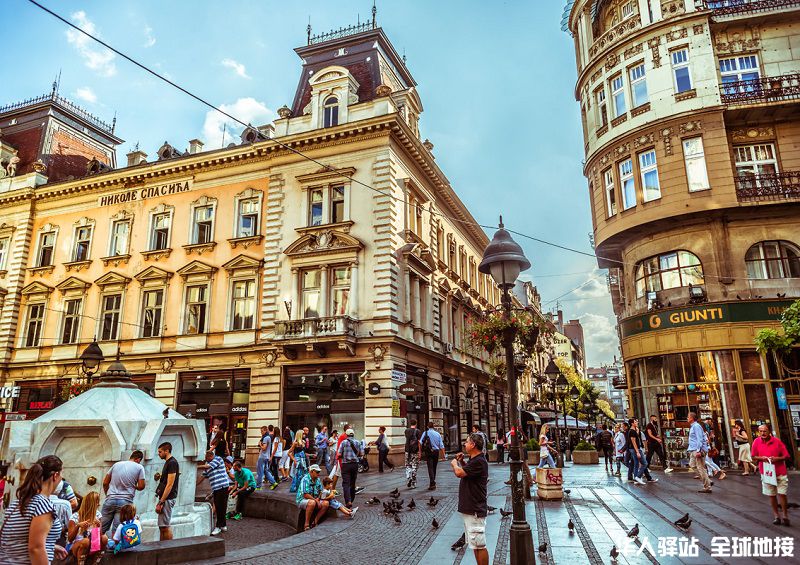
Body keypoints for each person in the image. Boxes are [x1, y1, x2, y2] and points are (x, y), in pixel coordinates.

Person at [0, 454, 66, 564]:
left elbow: (17, 538)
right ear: (55, 475)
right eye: (61, 477)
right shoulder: (43, 505)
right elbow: (35, 548)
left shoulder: (17, 503)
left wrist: (50, 546)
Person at [450, 433, 489, 565]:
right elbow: (469, 472)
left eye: (467, 442)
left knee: (479, 545)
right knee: (474, 544)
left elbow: (460, 473)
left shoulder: (479, 461)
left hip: (475, 509)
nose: (465, 444)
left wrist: (455, 464)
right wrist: (461, 462)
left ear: (473, 445)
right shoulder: (475, 460)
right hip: (471, 508)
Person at [751, 423, 791, 526]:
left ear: (769, 431)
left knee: (782, 493)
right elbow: (753, 456)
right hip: (767, 472)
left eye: (765, 431)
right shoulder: (756, 442)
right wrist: (762, 458)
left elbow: (786, 456)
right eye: (760, 431)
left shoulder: (777, 442)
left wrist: (777, 459)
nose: (762, 433)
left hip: (779, 471)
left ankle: (785, 515)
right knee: (771, 494)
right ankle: (776, 515)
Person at [101, 450, 146, 536]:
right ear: (138, 459)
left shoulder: (116, 465)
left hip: (110, 499)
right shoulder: (139, 467)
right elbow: (141, 486)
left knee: (101, 527)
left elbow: (105, 483)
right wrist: (133, 486)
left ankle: (96, 547)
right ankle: (114, 548)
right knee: (117, 529)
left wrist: (108, 494)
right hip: (125, 502)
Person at [66, 490, 108, 563]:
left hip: (93, 545)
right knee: (86, 541)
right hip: (77, 546)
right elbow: (70, 539)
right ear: (90, 504)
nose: (99, 504)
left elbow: (100, 536)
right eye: (97, 502)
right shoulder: (75, 517)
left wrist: (98, 527)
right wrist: (78, 526)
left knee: (104, 538)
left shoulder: (98, 515)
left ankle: (95, 562)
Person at [197, 450, 231, 535]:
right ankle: (223, 525)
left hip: (222, 486)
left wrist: (195, 466)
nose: (206, 460)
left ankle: (218, 526)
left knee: (220, 507)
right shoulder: (208, 465)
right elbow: (202, 476)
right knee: (220, 506)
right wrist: (194, 485)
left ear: (210, 456)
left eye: (206, 458)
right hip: (216, 488)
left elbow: (207, 466)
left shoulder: (218, 459)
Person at [155, 441, 180, 540]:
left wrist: (161, 501)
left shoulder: (172, 463)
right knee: (162, 526)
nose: (159, 454)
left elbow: (170, 484)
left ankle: (168, 548)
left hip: (167, 498)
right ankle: (162, 547)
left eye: (160, 452)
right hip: (165, 498)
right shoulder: (168, 462)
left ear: (167, 451)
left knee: (165, 526)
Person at [296, 464, 329, 530]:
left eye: (319, 472)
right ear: (311, 471)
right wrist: (316, 500)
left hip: (314, 499)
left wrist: (319, 498)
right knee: (312, 503)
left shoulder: (318, 480)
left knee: (326, 503)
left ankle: (315, 521)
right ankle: (306, 524)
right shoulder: (305, 479)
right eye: (317, 472)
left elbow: (320, 491)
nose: (318, 474)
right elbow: (305, 495)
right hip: (302, 500)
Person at [337, 428, 363, 508]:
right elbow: (362, 453)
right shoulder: (358, 442)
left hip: (346, 465)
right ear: (353, 434)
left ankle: (348, 501)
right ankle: (351, 500)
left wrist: (342, 456)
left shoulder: (343, 442)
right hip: (355, 465)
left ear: (347, 435)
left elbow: (338, 454)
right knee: (352, 483)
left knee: (346, 483)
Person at [687, 412, 712, 493]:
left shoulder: (696, 426)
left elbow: (699, 439)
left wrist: (698, 450)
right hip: (693, 449)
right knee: (692, 465)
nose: (687, 418)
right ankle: (708, 481)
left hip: (697, 450)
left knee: (700, 467)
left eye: (688, 417)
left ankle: (707, 486)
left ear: (692, 418)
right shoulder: (693, 426)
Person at [420, 422, 445, 490]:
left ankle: (432, 482)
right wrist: (443, 455)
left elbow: (420, 442)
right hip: (436, 452)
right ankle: (433, 481)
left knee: (430, 467)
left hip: (428, 452)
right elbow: (441, 445)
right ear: (433, 426)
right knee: (434, 467)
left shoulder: (425, 433)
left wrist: (420, 452)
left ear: (428, 426)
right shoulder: (437, 434)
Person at [627, 418, 648, 485]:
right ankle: (638, 477)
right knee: (644, 463)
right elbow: (633, 442)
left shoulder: (633, 431)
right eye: (635, 422)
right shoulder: (632, 431)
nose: (637, 423)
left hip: (633, 449)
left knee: (636, 464)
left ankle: (636, 479)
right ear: (632, 423)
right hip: (635, 449)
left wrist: (637, 432)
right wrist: (637, 451)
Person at [404, 420, 423, 489]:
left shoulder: (406, 431)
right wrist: (420, 452)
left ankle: (409, 478)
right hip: (415, 452)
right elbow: (419, 442)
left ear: (410, 423)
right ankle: (413, 482)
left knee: (408, 465)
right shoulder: (418, 431)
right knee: (414, 466)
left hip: (407, 451)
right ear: (416, 424)